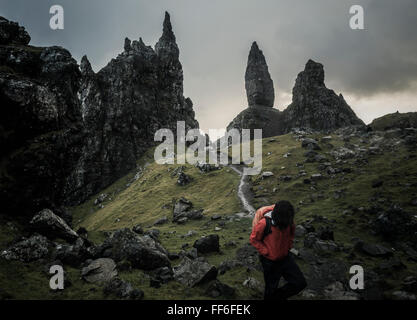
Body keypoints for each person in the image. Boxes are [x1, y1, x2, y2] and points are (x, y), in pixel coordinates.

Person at [250, 200, 307, 300]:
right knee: (270, 289)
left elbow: (291, 233)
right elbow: (254, 239)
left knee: (300, 283)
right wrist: (265, 252)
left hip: (285, 258)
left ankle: (276, 297)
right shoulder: (264, 224)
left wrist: (288, 246)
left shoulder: (288, 220)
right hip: (269, 262)